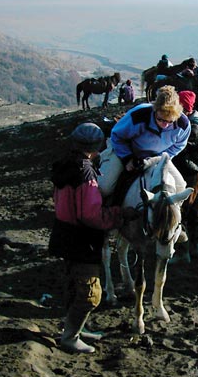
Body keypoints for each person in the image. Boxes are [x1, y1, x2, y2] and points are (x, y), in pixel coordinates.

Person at [49, 123, 134, 354]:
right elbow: (91, 215)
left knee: (73, 286)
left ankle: (77, 327)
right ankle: (70, 336)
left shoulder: (65, 166)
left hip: (64, 233)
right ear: (97, 146)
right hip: (82, 239)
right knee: (89, 294)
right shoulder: (85, 172)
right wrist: (118, 215)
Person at [98, 85, 190, 198]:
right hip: (127, 150)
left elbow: (178, 145)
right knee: (105, 187)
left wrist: (159, 158)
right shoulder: (139, 115)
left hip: (158, 157)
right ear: (155, 110)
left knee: (181, 187)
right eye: (160, 119)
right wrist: (127, 158)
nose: (165, 125)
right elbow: (117, 136)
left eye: (169, 121)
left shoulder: (183, 125)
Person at [172, 91, 198, 260]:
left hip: (189, 175)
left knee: (183, 213)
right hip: (195, 173)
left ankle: (184, 251)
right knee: (193, 213)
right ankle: (195, 247)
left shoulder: (192, 127)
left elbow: (181, 151)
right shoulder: (196, 122)